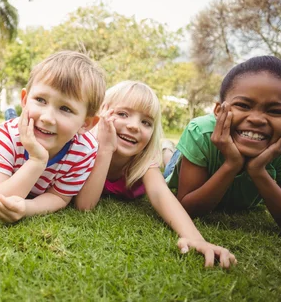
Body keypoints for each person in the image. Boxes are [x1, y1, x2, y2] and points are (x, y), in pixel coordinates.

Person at [74, 81, 237, 268]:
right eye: (122, 114)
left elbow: (161, 194)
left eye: (146, 122)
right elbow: (85, 206)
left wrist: (196, 239)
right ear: (101, 114)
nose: (135, 126)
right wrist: (105, 149)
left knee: (170, 167)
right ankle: (166, 149)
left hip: (157, 162)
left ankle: (167, 149)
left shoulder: (143, 161)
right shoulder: (82, 149)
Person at [166, 56, 281, 243]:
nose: (256, 119)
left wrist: (258, 172)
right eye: (243, 105)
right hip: (180, 163)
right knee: (170, 161)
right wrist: (232, 164)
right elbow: (187, 209)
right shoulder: (201, 132)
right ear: (218, 111)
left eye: (275, 111)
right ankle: (166, 148)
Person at [0, 51, 105, 223]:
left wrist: (27, 208)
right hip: (17, 137)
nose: (47, 117)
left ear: (86, 123)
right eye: (40, 100)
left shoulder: (84, 150)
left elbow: (59, 197)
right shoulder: (5, 136)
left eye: (65, 109)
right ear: (24, 99)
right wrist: (37, 160)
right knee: (16, 123)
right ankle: (11, 115)